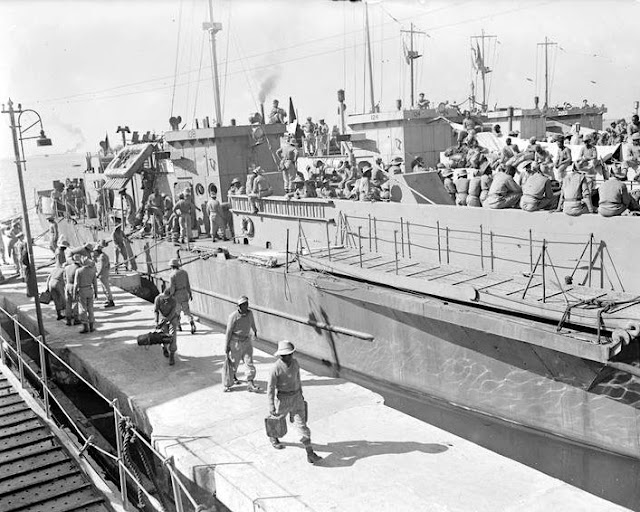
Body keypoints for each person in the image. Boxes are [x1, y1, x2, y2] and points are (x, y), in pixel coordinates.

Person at [267, 340, 322, 464]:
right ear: (280, 356)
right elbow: (270, 388)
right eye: (284, 355)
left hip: (297, 397)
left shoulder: (296, 363)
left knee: (302, 425)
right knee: (277, 421)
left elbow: (298, 379)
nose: (287, 357)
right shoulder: (275, 369)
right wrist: (271, 405)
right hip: (283, 399)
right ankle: (273, 437)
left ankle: (310, 453)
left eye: (289, 354)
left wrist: (301, 395)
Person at [223, 296, 261, 393]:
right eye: (243, 305)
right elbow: (228, 331)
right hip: (236, 342)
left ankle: (250, 382)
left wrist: (255, 331)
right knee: (233, 363)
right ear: (239, 306)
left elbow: (252, 323)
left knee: (249, 362)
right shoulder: (233, 316)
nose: (246, 306)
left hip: (246, 341)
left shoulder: (250, 313)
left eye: (247, 304)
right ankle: (227, 383)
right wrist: (226, 345)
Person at [168, 258, 196, 334]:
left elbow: (172, 287)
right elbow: (188, 284)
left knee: (177, 312)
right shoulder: (184, 272)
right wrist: (190, 293)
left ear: (172, 266)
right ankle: (192, 323)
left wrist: (170, 296)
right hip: (184, 293)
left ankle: (178, 326)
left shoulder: (172, 275)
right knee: (187, 311)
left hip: (176, 295)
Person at [154, 287, 178, 366]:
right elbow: (156, 311)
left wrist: (166, 320)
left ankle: (172, 354)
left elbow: (172, 312)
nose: (165, 299)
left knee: (172, 336)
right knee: (164, 335)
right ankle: (164, 347)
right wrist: (156, 322)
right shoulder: (158, 299)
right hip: (162, 318)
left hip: (172, 319)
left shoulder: (174, 300)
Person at [74, 255, 98, 333]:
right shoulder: (92, 271)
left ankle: (85, 327)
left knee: (83, 308)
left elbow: (76, 283)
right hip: (90, 290)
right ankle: (91, 326)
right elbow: (95, 283)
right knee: (90, 309)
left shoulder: (79, 271)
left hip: (82, 290)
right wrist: (96, 293)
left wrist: (74, 293)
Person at [94, 240, 115, 308]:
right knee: (104, 287)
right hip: (103, 273)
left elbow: (102, 267)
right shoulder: (102, 255)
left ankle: (110, 301)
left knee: (106, 287)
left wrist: (98, 274)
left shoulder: (102, 256)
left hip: (103, 274)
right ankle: (108, 299)